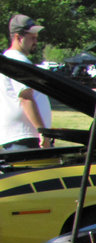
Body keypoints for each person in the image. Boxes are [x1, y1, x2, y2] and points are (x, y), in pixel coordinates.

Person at [2, 14, 52, 150]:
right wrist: (42, 131)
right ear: (18, 37)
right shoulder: (18, 61)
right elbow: (25, 97)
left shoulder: (8, 59)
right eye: (32, 38)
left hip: (18, 135)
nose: (36, 41)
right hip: (25, 137)